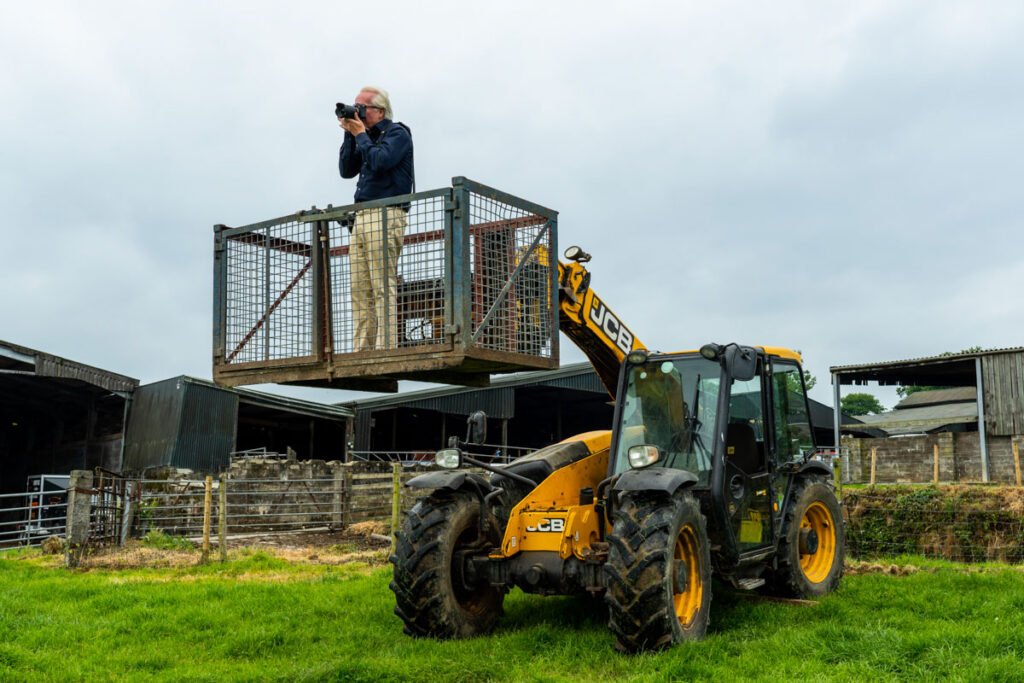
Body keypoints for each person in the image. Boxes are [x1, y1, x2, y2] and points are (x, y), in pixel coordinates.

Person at [338, 86, 414, 351]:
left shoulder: (397, 133)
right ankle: (363, 348)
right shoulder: (364, 136)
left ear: (379, 111)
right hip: (362, 216)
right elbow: (346, 170)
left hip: (387, 213)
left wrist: (360, 134)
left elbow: (381, 161)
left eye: (362, 107)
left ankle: (385, 347)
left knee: (382, 283)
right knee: (360, 288)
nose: (357, 111)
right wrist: (351, 135)